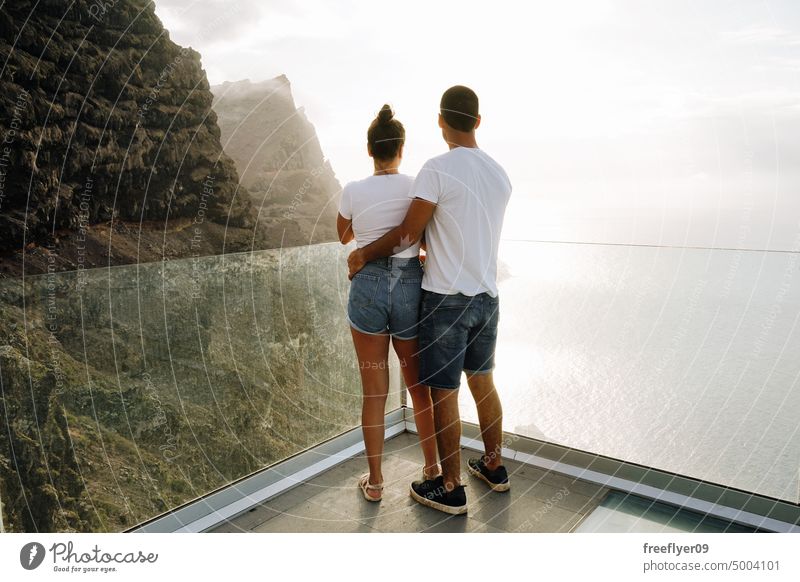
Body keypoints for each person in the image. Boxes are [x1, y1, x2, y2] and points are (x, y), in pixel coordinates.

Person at [347, 86, 512, 515]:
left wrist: (363, 254)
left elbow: (408, 233)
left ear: (440, 121)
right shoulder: (499, 174)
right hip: (487, 296)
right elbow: (460, 227)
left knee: (442, 394)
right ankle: (494, 466)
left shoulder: (437, 169)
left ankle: (450, 487)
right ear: (478, 121)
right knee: (483, 382)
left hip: (446, 300)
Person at [337, 104, 440, 502]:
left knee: (374, 391)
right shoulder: (417, 187)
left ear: (369, 149)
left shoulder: (353, 189)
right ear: (401, 148)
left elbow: (344, 236)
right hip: (411, 284)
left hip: (368, 287)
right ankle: (431, 467)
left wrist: (364, 227)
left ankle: (376, 482)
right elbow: (424, 232)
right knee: (418, 386)